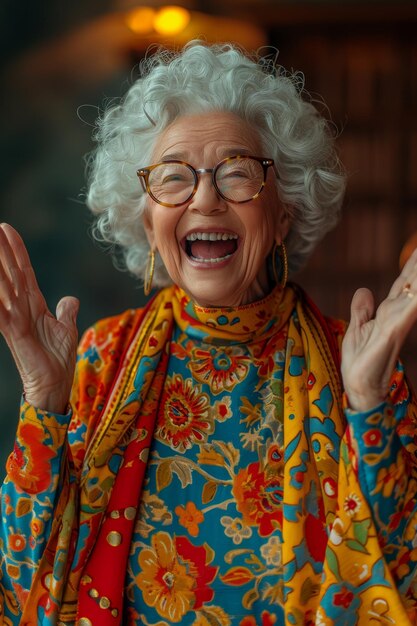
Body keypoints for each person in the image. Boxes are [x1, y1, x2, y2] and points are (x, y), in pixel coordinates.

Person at [1, 41, 417, 626]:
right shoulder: (98, 359)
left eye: (238, 174)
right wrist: (44, 405)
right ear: (147, 217)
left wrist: (370, 408)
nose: (204, 198)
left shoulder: (363, 365)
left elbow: (404, 580)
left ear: (284, 213)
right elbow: (25, 588)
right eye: (173, 178)